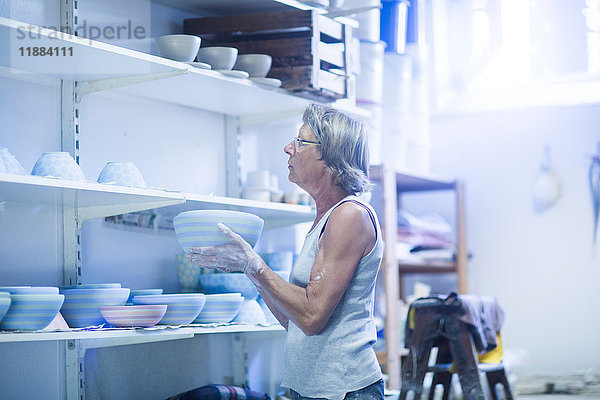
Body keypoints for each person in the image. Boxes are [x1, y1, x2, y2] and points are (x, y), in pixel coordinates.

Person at [188, 104, 384, 400]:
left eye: (301, 141)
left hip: (345, 389)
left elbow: (312, 316)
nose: (288, 148)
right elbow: (293, 320)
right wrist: (249, 270)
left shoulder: (349, 216)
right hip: (311, 389)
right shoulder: (326, 218)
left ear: (330, 156)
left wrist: (255, 265)